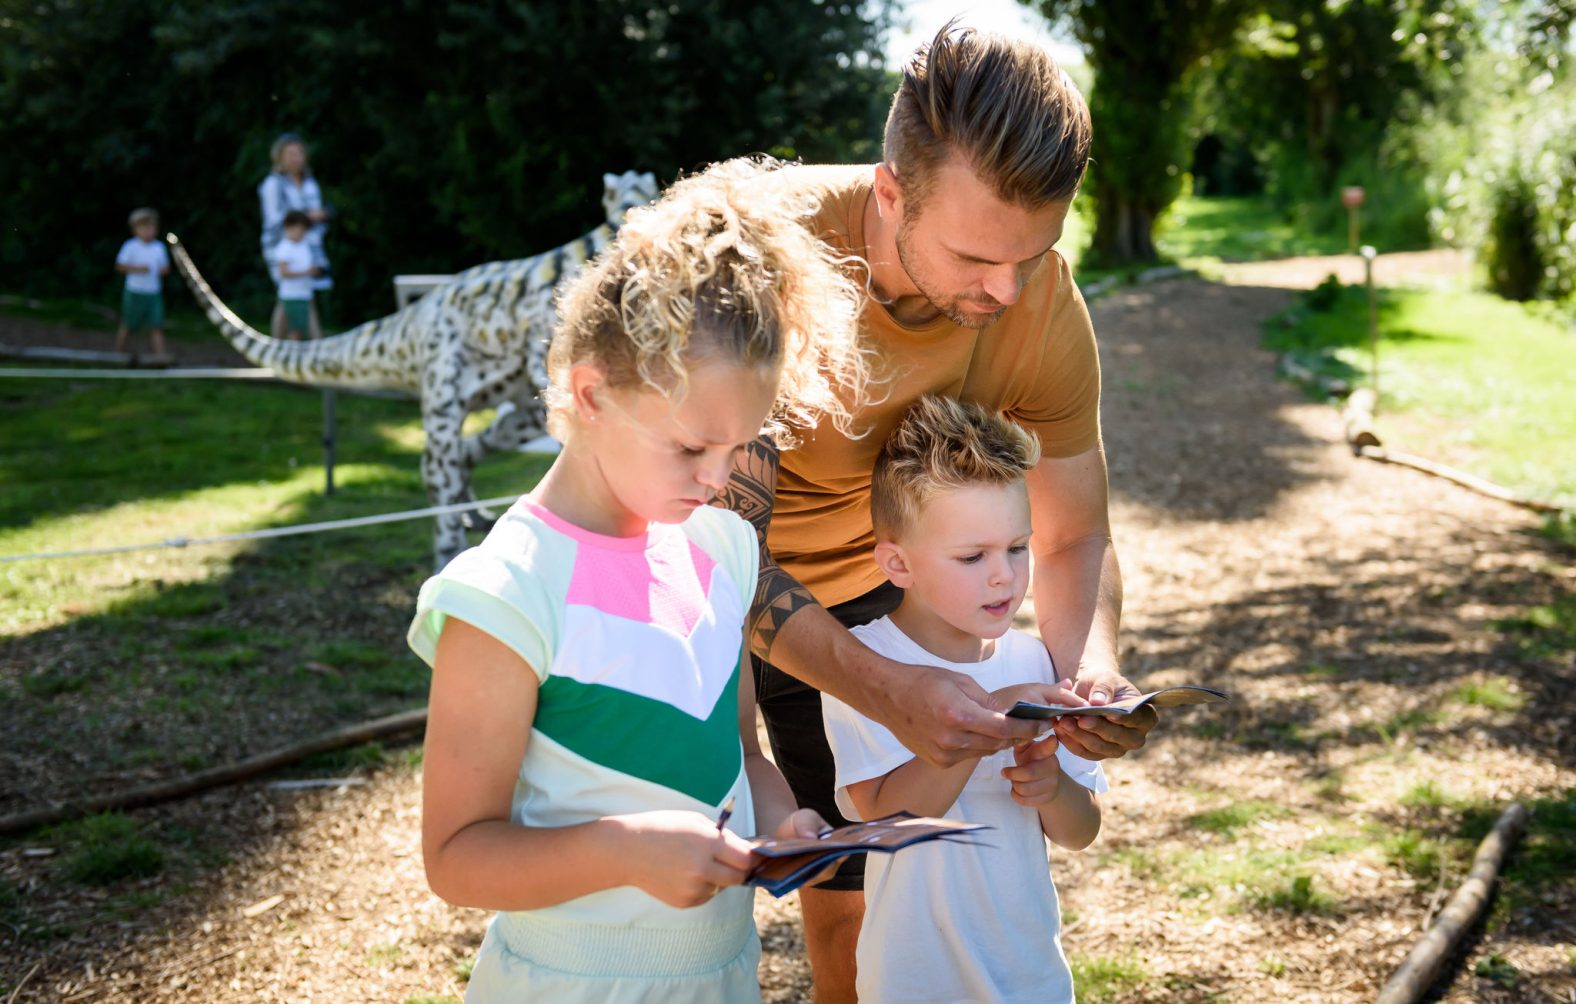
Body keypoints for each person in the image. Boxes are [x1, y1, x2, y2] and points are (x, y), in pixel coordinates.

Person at [716, 22, 1159, 998]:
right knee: (802, 895)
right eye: (972, 257)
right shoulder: (757, 265)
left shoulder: (1037, 297)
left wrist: (1086, 668)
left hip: (898, 582)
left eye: (1031, 255)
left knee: (881, 884)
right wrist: (877, 688)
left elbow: (1076, 530)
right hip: (731, 591)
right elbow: (717, 553)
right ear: (889, 192)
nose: (1005, 292)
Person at [405, 157, 870, 1003]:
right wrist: (624, 850)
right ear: (590, 393)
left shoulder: (722, 549)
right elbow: (455, 857)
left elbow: (740, 754)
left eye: (740, 449)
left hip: (724, 978)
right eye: (693, 448)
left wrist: (783, 824)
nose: (720, 479)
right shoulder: (506, 593)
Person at [821, 395, 1104, 1004]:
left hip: (1028, 974)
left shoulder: (1035, 662)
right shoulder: (865, 666)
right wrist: (995, 720)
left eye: (1017, 548)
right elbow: (888, 819)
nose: (1003, 575)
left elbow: (1081, 832)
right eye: (973, 557)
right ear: (898, 563)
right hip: (913, 978)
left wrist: (1055, 789)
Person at [257, 132, 332, 330]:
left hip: (308, 248)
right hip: (281, 248)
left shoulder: (310, 184)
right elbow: (275, 219)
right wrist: (308, 217)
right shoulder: (272, 184)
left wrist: (321, 216)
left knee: (301, 296)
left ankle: (292, 345)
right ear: (279, 157)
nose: (296, 157)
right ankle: (306, 345)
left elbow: (317, 216)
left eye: (299, 152)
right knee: (290, 295)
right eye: (290, 153)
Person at [113, 207, 171, 360]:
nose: (149, 231)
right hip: (135, 292)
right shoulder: (130, 246)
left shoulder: (159, 247)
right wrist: (137, 269)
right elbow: (120, 266)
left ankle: (161, 357)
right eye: (144, 227)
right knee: (128, 324)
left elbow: (165, 268)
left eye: (152, 227)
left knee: (156, 326)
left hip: (153, 293)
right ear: (135, 229)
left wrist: (162, 270)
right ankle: (117, 356)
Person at [270, 210, 320, 340]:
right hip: (289, 296)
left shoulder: (304, 245)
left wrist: (314, 272)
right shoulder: (284, 247)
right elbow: (283, 272)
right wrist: (306, 272)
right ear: (289, 227)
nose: (303, 233)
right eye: (301, 229)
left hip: (305, 295)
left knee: (306, 331)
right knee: (287, 332)